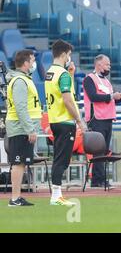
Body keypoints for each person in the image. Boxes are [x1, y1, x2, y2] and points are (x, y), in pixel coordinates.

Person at [45, 39, 87, 206]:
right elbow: (68, 100)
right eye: (69, 55)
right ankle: (56, 195)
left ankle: (57, 194)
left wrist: (70, 73)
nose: (70, 58)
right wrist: (79, 120)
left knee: (59, 158)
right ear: (63, 54)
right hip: (65, 121)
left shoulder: (51, 72)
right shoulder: (62, 75)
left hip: (55, 120)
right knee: (62, 160)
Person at [82, 54, 121, 188]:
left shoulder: (107, 81)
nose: (109, 66)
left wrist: (120, 97)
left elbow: (109, 99)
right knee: (98, 151)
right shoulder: (89, 79)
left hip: (108, 118)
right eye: (107, 64)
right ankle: (97, 180)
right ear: (98, 65)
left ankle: (101, 179)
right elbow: (93, 96)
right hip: (96, 119)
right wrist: (112, 96)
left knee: (104, 151)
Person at [5, 50, 41, 206]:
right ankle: (14, 198)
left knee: (21, 163)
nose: (34, 63)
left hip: (22, 128)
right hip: (20, 128)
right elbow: (20, 107)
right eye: (32, 60)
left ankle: (17, 196)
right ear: (26, 63)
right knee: (18, 163)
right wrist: (30, 129)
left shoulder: (23, 79)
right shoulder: (20, 80)